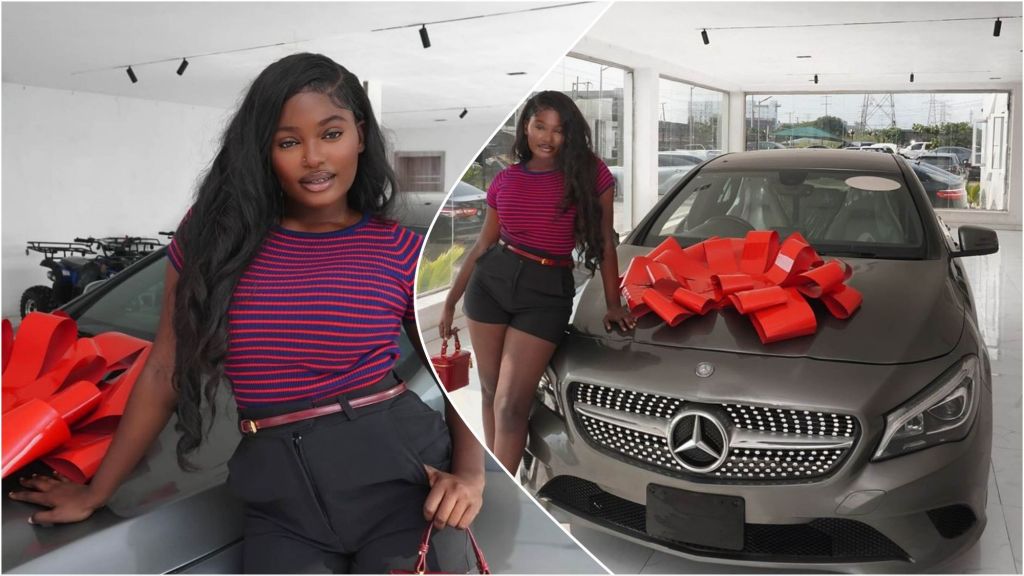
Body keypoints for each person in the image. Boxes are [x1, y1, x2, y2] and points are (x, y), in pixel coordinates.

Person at [10, 53, 484, 574]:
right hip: (280, 504)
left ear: (360, 135)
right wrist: (98, 491)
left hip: (403, 488)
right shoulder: (213, 241)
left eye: (330, 133)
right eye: (287, 142)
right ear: (264, 151)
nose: (312, 157)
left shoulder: (397, 250)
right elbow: (166, 369)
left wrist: (471, 474)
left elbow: (451, 367)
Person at [438, 91, 635, 475]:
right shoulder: (505, 179)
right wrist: (450, 301)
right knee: (491, 393)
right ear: (525, 126)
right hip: (491, 283)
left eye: (558, 130)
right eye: (539, 126)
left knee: (512, 403)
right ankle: (492, 482)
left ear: (571, 134)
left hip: (545, 292)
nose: (547, 137)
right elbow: (483, 243)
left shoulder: (591, 174)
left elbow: (604, 241)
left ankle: (505, 493)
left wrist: (614, 303)